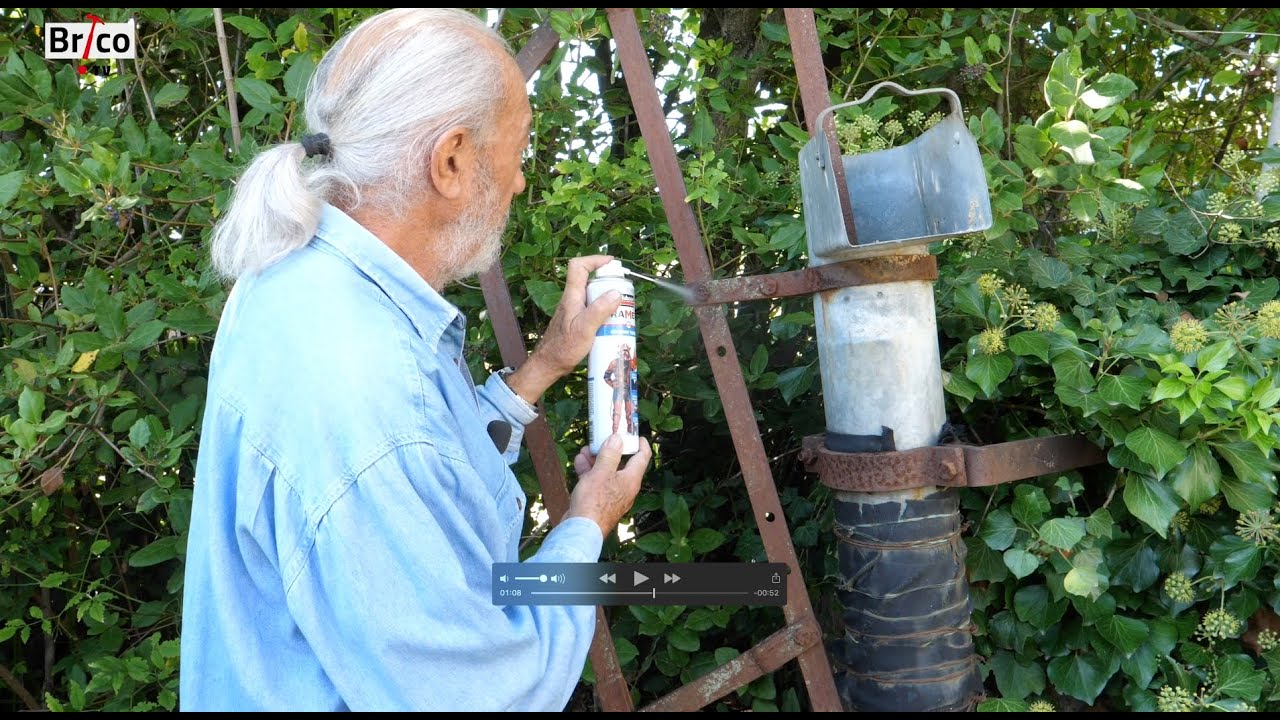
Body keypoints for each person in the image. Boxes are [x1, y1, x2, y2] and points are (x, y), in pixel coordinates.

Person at [180, 8, 653, 712]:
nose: (519, 183)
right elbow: (488, 693)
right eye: (516, 152)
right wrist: (586, 523)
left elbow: (428, 472)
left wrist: (545, 366)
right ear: (453, 159)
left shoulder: (296, 281)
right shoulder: (366, 389)